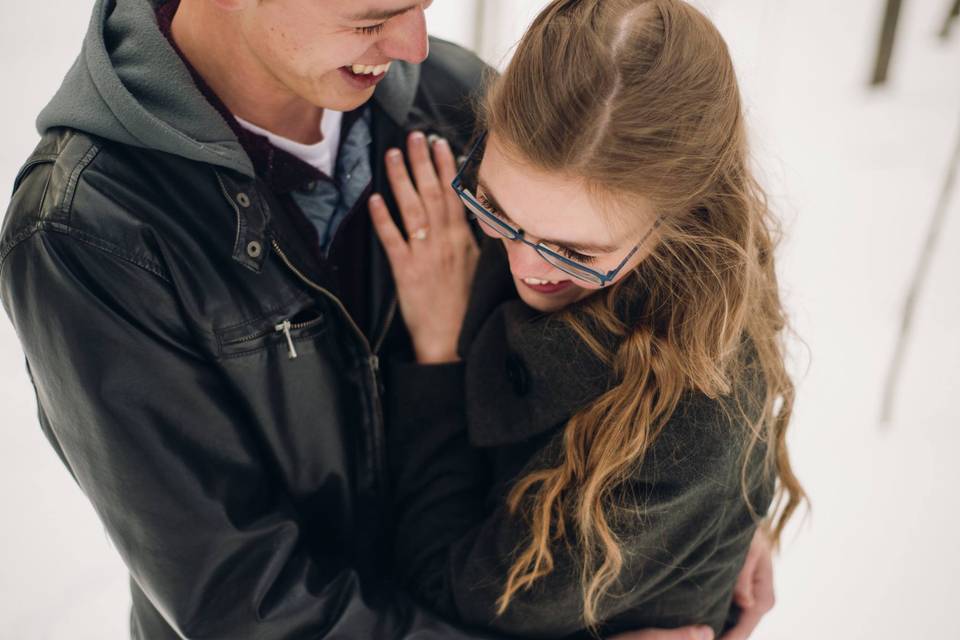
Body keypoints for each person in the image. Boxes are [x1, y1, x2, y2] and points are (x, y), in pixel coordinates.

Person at [0, 0, 772, 638]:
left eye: (422, 2)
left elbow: (655, 255)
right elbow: (244, 605)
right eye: (376, 15)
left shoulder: (452, 96)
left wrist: (712, 507)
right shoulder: (88, 233)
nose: (414, 41)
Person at [369, 0, 805, 637]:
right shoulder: (555, 178)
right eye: (495, 211)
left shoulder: (684, 424)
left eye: (577, 253)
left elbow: (459, 588)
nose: (525, 266)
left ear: (682, 218)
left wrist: (437, 352)